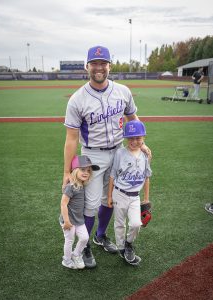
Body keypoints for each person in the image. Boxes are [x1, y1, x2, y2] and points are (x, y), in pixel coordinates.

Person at [63, 45, 151, 268]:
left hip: (120, 151)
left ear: (110, 65)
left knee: (110, 199)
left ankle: (100, 236)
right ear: (87, 66)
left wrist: (141, 143)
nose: (99, 67)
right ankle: (85, 245)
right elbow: (72, 138)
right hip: (92, 156)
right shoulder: (77, 99)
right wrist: (66, 171)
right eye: (94, 63)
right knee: (90, 204)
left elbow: (133, 118)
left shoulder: (123, 91)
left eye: (103, 63)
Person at [108, 120, 152, 266]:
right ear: (126, 138)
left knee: (136, 224)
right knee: (119, 223)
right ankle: (122, 248)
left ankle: (128, 243)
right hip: (119, 193)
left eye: (138, 138)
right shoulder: (120, 153)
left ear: (143, 138)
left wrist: (146, 199)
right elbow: (113, 175)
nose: (134, 141)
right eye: (131, 138)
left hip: (135, 197)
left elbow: (147, 177)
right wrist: (109, 196)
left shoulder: (145, 155)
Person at [60, 155, 100, 269]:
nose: (86, 172)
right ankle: (66, 260)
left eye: (88, 170)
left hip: (79, 219)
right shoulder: (71, 186)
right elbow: (63, 204)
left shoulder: (82, 184)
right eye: (82, 169)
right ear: (75, 170)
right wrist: (66, 221)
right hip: (68, 220)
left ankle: (76, 255)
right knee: (69, 239)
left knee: (84, 238)